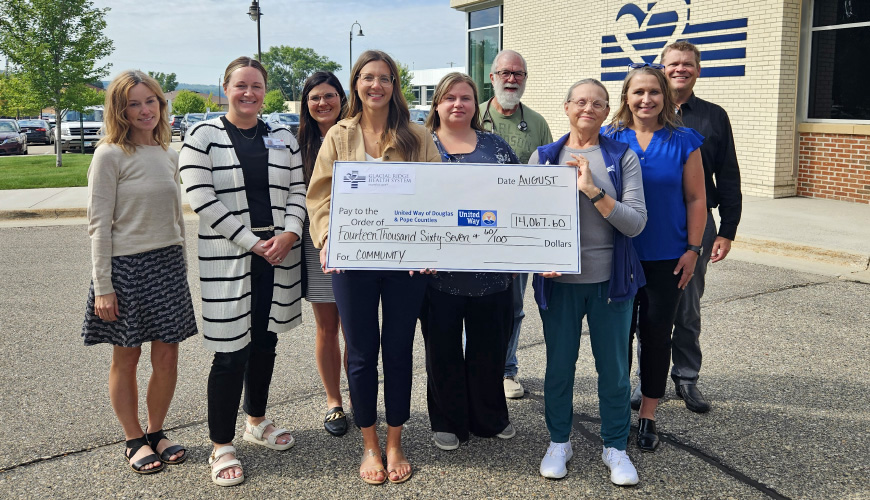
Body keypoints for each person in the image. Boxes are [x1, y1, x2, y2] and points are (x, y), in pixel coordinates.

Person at [306, 50, 441, 485]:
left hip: (406, 263)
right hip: (353, 261)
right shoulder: (339, 135)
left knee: (399, 350)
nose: (376, 85)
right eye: (368, 77)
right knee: (362, 353)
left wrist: (431, 244)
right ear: (356, 83)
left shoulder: (417, 135)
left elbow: (437, 192)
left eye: (384, 78)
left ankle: (395, 440)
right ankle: (369, 443)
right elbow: (319, 196)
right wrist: (326, 238)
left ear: (394, 84)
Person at [179, 56, 306, 487]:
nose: (249, 93)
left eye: (256, 86)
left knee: (265, 342)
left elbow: (298, 190)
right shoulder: (203, 135)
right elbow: (202, 198)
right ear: (225, 88)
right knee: (231, 352)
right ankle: (221, 444)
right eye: (240, 85)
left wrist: (290, 233)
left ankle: (256, 421)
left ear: (265, 91)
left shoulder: (282, 136)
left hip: (279, 254)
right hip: (232, 256)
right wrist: (253, 242)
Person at [82, 70, 197, 475]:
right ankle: (133, 439)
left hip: (167, 266)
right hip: (126, 269)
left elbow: (176, 219)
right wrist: (103, 286)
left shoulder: (168, 153)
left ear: (161, 105)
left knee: (167, 356)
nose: (145, 110)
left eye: (151, 101)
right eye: (134, 104)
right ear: (120, 110)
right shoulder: (109, 154)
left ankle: (156, 431)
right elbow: (98, 225)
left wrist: (181, 267)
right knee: (126, 357)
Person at [532, 79, 646, 485]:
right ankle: (558, 442)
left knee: (613, 371)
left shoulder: (621, 156)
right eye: (581, 101)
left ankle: (614, 446)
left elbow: (635, 223)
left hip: (610, 283)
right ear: (566, 107)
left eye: (598, 103)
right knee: (559, 368)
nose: (588, 108)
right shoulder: (544, 156)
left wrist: (593, 190)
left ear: (607, 111)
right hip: (559, 284)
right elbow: (526, 220)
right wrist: (538, 257)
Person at [630, 41, 741, 413]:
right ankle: (647, 381)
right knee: (647, 310)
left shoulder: (713, 117)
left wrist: (727, 229)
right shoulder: (637, 116)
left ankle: (687, 377)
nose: (681, 69)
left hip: (696, 225)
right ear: (662, 69)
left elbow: (728, 175)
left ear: (698, 70)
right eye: (673, 63)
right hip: (645, 226)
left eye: (688, 64)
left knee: (687, 306)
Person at [603, 64, 706, 452]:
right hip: (619, 254)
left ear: (665, 95)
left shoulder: (684, 140)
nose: (646, 99)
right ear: (626, 97)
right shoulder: (609, 137)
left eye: (654, 92)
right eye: (638, 92)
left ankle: (648, 413)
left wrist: (693, 250)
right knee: (617, 337)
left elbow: (696, 198)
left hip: (667, 257)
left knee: (657, 335)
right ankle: (617, 411)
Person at [421, 72, 519, 451]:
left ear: (475, 104)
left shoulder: (495, 145)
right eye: (449, 98)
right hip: (437, 275)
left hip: (491, 272)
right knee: (442, 352)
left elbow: (520, 197)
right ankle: (448, 421)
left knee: (488, 351)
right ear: (437, 104)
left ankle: (489, 417)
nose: (458, 104)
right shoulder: (420, 145)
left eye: (465, 98)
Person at [479, 49, 554, 399]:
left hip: (518, 230)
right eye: (505, 73)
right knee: (473, 303)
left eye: (518, 74)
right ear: (492, 77)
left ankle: (507, 369)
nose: (511, 79)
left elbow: (550, 177)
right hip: (474, 227)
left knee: (513, 306)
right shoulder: (473, 114)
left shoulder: (537, 123)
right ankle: (474, 365)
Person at [297, 71, 351, 436]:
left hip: (359, 237)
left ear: (341, 98)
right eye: (315, 97)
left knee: (355, 328)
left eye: (329, 95)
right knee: (327, 326)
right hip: (317, 240)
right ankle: (334, 401)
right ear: (306, 104)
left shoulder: (356, 134)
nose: (322, 102)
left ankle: (360, 394)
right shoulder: (296, 143)